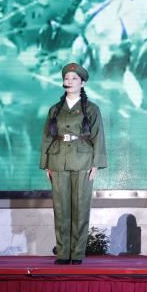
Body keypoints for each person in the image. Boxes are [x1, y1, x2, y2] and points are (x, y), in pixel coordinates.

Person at [40, 63, 107, 265]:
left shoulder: (91, 109)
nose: (69, 81)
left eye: (74, 78)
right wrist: (46, 164)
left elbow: (98, 136)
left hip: (83, 160)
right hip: (58, 159)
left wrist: (96, 164)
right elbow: (47, 137)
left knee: (80, 207)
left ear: (82, 83)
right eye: (67, 78)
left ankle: (77, 253)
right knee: (60, 208)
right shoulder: (55, 109)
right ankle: (63, 253)